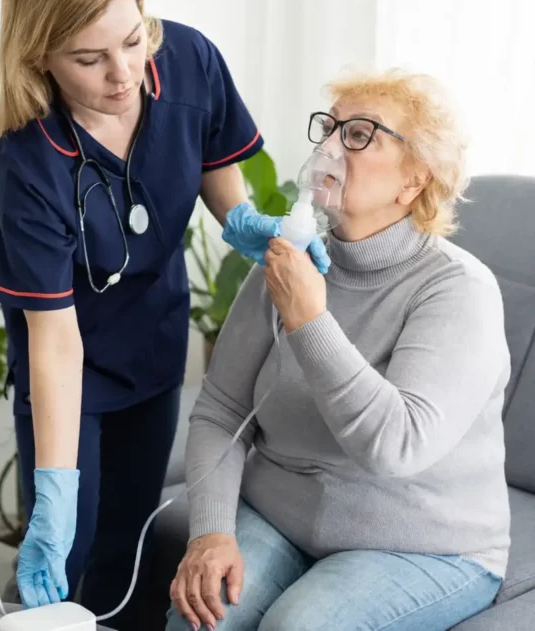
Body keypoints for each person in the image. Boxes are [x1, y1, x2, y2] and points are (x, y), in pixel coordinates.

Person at [0, 0, 330, 627]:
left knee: (127, 551)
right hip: (68, 373)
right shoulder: (28, 157)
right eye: (89, 59)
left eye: (133, 40)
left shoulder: (191, 60)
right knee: (67, 551)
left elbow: (210, 164)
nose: (123, 74)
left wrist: (247, 222)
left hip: (154, 349)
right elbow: (53, 339)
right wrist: (53, 493)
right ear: (38, 54)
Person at [166, 69, 512, 631]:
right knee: (200, 619)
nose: (328, 147)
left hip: (420, 543)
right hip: (282, 517)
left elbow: (397, 445)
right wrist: (210, 532)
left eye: (358, 135)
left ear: (414, 179)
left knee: (299, 627)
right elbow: (221, 410)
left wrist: (309, 318)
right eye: (328, 129)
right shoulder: (287, 260)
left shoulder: (457, 290)